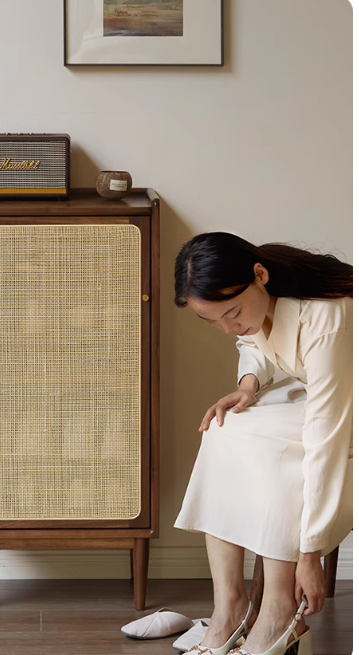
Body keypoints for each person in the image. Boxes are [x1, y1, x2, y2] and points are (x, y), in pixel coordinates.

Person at [172, 232, 352, 655]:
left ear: (259, 275)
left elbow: (327, 434)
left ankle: (277, 608)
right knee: (222, 427)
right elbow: (253, 339)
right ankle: (228, 609)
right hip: (326, 395)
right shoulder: (270, 297)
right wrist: (249, 385)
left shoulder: (326, 317)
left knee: (275, 450)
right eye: (213, 320)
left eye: (231, 312)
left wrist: (311, 553)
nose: (227, 328)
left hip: (345, 409)